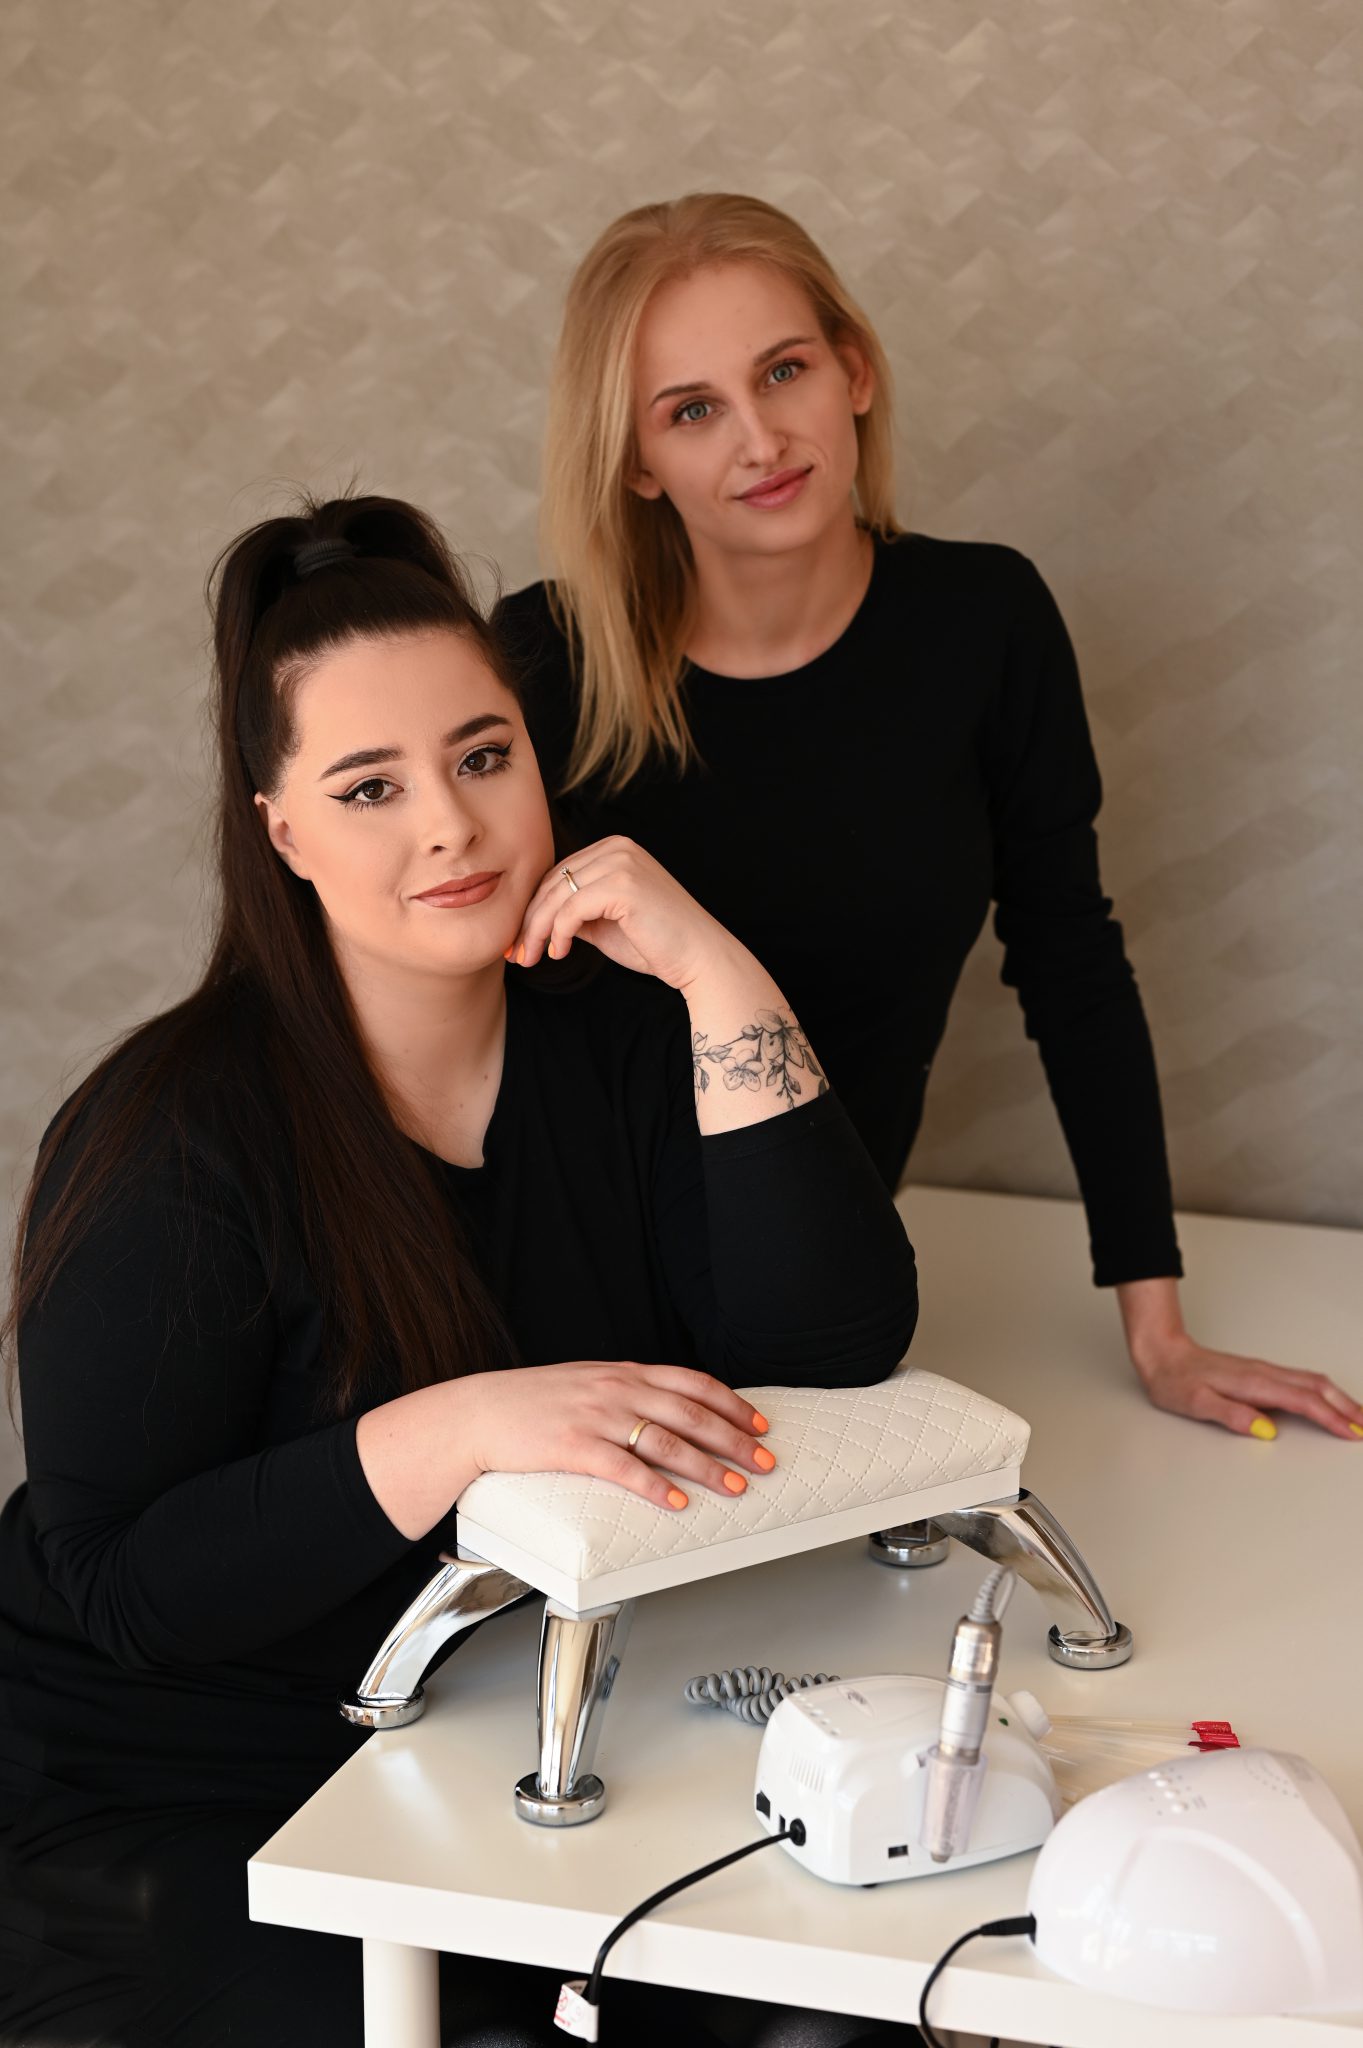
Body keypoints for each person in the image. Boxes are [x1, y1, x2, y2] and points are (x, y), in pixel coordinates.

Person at [0, 496, 921, 2048]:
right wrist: (458, 1429)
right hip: (160, 1782)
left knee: (832, 1999)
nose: (450, 825)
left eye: (482, 758)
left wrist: (715, 970)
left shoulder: (622, 1038)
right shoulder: (172, 1129)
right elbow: (119, 1587)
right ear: (281, 832)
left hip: (486, 1728)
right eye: (370, 787)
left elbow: (834, 1342)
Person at [495, 190, 1362, 1447]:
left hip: (819, 1291)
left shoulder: (983, 624)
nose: (759, 439)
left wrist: (1159, 1330)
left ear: (853, 370)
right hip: (558, 1284)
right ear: (636, 461)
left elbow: (1069, 959)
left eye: (782, 371)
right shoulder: (545, 659)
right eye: (691, 410)